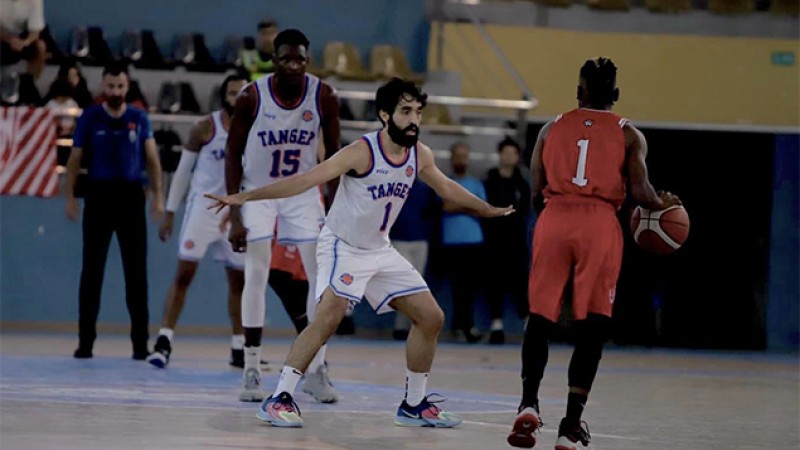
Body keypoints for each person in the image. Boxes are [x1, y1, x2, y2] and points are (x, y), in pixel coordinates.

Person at [206, 77, 514, 429]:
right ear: (385, 114)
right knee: (329, 315)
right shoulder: (361, 152)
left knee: (431, 317)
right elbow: (307, 180)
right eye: (405, 111)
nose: (414, 119)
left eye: (418, 111)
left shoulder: (419, 154)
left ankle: (414, 404)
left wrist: (484, 208)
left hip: (379, 250)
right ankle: (280, 398)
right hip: (342, 246)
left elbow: (446, 188)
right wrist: (245, 197)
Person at [507, 58, 681, 449]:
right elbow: (640, 192)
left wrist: (553, 220)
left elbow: (536, 190)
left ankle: (528, 403)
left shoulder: (550, 129)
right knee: (593, 322)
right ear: (615, 96)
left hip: (554, 218)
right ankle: (570, 425)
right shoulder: (629, 134)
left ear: (578, 92)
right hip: (599, 223)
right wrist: (662, 203)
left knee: (540, 315)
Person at [224, 29, 341, 403]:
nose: (293, 66)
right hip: (258, 190)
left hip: (303, 191)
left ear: (307, 61)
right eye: (286, 59)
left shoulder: (322, 95)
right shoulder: (251, 97)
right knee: (255, 273)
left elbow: (337, 156)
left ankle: (317, 368)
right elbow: (232, 153)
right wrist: (235, 212)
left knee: (319, 279)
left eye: (300, 60)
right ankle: (252, 370)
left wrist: (336, 209)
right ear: (273, 61)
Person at [146, 73, 249, 369]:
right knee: (184, 275)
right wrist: (169, 212)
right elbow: (182, 171)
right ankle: (164, 341)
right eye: (232, 92)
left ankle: (239, 346)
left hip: (235, 212)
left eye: (242, 92)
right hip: (203, 210)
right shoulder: (205, 127)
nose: (237, 97)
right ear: (223, 96)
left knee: (239, 281)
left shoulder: (256, 131)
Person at [65, 61, 164, 360]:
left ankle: (139, 345)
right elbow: (74, 159)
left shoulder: (139, 117)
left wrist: (158, 198)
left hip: (131, 197)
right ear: (102, 87)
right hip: (98, 197)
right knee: (92, 272)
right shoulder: (90, 117)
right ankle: (85, 343)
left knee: (136, 274)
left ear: (127, 87)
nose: (116, 92)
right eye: (110, 87)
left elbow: (152, 160)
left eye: (120, 87)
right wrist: (70, 197)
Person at [482, 137, 531, 345]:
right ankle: (496, 326)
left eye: (513, 153)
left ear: (517, 157)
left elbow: (526, 210)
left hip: (516, 241)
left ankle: (529, 325)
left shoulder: (522, 183)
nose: (509, 157)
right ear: (500, 154)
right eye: (505, 152)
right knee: (494, 283)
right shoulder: (489, 181)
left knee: (520, 282)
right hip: (493, 240)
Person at [441, 141, 485, 343]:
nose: (461, 160)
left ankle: (467, 326)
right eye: (457, 156)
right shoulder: (443, 182)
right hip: (451, 242)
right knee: (457, 288)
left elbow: (482, 209)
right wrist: (468, 205)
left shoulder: (476, 184)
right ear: (452, 159)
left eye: (464, 156)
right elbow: (445, 206)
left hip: (473, 241)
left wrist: (459, 205)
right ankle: (459, 326)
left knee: (470, 288)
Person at [388, 179, 437, 340]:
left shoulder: (425, 187)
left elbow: (432, 211)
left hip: (420, 239)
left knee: (417, 284)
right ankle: (400, 325)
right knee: (403, 283)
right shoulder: (393, 183)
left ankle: (412, 324)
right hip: (399, 238)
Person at [0, 0, 46, 79]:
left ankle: (29, 81)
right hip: (2, 35)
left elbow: (35, 32)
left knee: (41, 47)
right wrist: (10, 40)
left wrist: (24, 43)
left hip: (22, 36)